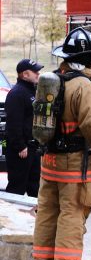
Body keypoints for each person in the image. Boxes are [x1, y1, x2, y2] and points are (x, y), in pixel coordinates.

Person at [33, 26, 91, 260]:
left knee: (48, 209)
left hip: (50, 161)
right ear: (89, 57)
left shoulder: (52, 81)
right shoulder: (83, 86)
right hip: (73, 163)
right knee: (73, 210)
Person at [5, 59, 44, 197]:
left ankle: (34, 218)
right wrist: (20, 146)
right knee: (17, 189)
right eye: (35, 72)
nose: (38, 74)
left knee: (35, 188)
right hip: (21, 151)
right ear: (25, 74)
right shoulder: (17, 93)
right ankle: (11, 218)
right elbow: (13, 124)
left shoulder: (31, 91)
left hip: (32, 149)